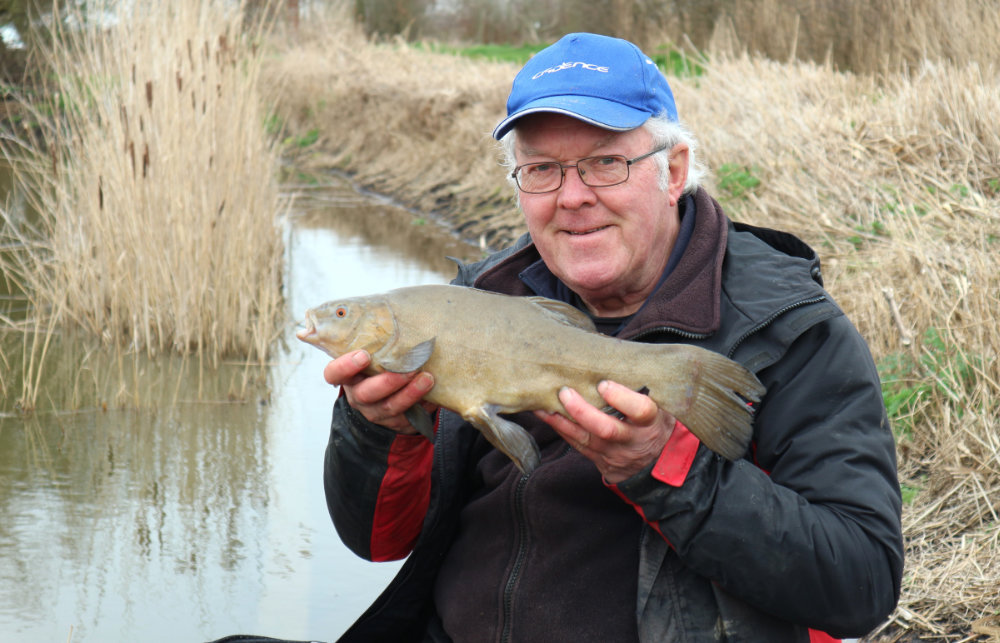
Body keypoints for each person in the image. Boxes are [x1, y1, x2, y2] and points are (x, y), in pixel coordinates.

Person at [322, 32, 903, 642]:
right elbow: (376, 540)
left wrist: (665, 469)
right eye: (542, 169)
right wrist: (378, 429)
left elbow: (861, 585)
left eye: (605, 162)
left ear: (673, 171)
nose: (573, 197)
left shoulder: (789, 332)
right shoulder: (483, 300)